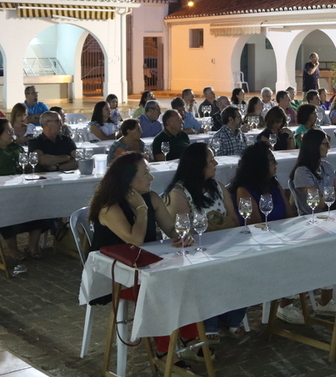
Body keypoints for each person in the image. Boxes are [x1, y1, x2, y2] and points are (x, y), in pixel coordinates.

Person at [89, 152, 192, 358]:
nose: (151, 178)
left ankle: (190, 336)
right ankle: (165, 350)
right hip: (114, 274)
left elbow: (171, 229)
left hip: (145, 265)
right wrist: (142, 210)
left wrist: (184, 236)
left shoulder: (152, 197)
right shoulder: (109, 206)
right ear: (128, 179)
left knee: (185, 277)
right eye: (145, 173)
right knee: (159, 287)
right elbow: (134, 240)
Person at [165, 143, 245, 340]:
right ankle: (210, 322)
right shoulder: (179, 193)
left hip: (221, 245)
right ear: (198, 166)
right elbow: (181, 230)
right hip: (195, 251)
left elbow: (234, 218)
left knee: (244, 262)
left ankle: (233, 316)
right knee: (209, 270)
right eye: (211, 161)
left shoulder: (216, 187)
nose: (215, 163)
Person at [0, 118, 55, 259]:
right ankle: (13, 249)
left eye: (11, 130)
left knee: (41, 205)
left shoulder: (15, 147)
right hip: (0, 193)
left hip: (21, 189)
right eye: (8, 131)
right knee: (6, 213)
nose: (11, 133)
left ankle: (33, 246)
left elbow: (27, 165)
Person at [231, 141, 295, 224]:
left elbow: (290, 215)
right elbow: (255, 224)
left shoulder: (274, 184)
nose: (276, 163)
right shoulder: (243, 190)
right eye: (272, 161)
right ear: (260, 164)